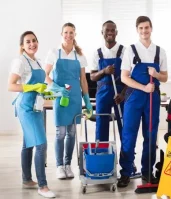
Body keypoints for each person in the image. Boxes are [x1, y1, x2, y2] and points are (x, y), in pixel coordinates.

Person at [117, 16, 168, 188]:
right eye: (141, 28)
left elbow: (165, 77)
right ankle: (125, 173)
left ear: (151, 28)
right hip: (134, 97)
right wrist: (143, 87)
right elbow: (124, 77)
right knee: (129, 135)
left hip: (152, 97)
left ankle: (148, 172)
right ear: (137, 30)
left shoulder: (160, 51)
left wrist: (157, 74)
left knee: (151, 134)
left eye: (147, 27)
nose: (144, 31)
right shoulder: (130, 50)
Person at [8, 31, 56, 198]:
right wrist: (33, 88)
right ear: (22, 45)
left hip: (36, 105)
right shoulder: (20, 61)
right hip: (25, 107)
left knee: (28, 143)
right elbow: (11, 86)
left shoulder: (38, 61)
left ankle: (27, 179)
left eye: (34, 41)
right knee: (41, 144)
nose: (32, 44)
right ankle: (43, 186)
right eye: (27, 42)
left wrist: (51, 92)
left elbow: (42, 84)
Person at [44, 22, 93, 179]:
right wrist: (56, 88)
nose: (68, 35)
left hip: (74, 99)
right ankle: (59, 166)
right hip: (60, 97)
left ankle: (67, 165)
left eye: (71, 32)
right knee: (60, 133)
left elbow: (83, 81)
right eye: (66, 32)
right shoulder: (54, 52)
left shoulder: (79, 56)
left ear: (75, 35)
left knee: (71, 133)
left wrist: (87, 100)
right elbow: (44, 75)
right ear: (61, 34)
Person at [90, 20, 126, 142]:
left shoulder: (124, 51)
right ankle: (101, 154)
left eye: (112, 30)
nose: (110, 32)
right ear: (102, 32)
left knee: (124, 123)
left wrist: (123, 94)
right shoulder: (97, 53)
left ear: (116, 32)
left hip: (120, 92)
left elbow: (130, 76)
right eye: (107, 30)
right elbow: (92, 77)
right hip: (103, 92)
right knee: (101, 123)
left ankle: (127, 158)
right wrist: (104, 71)